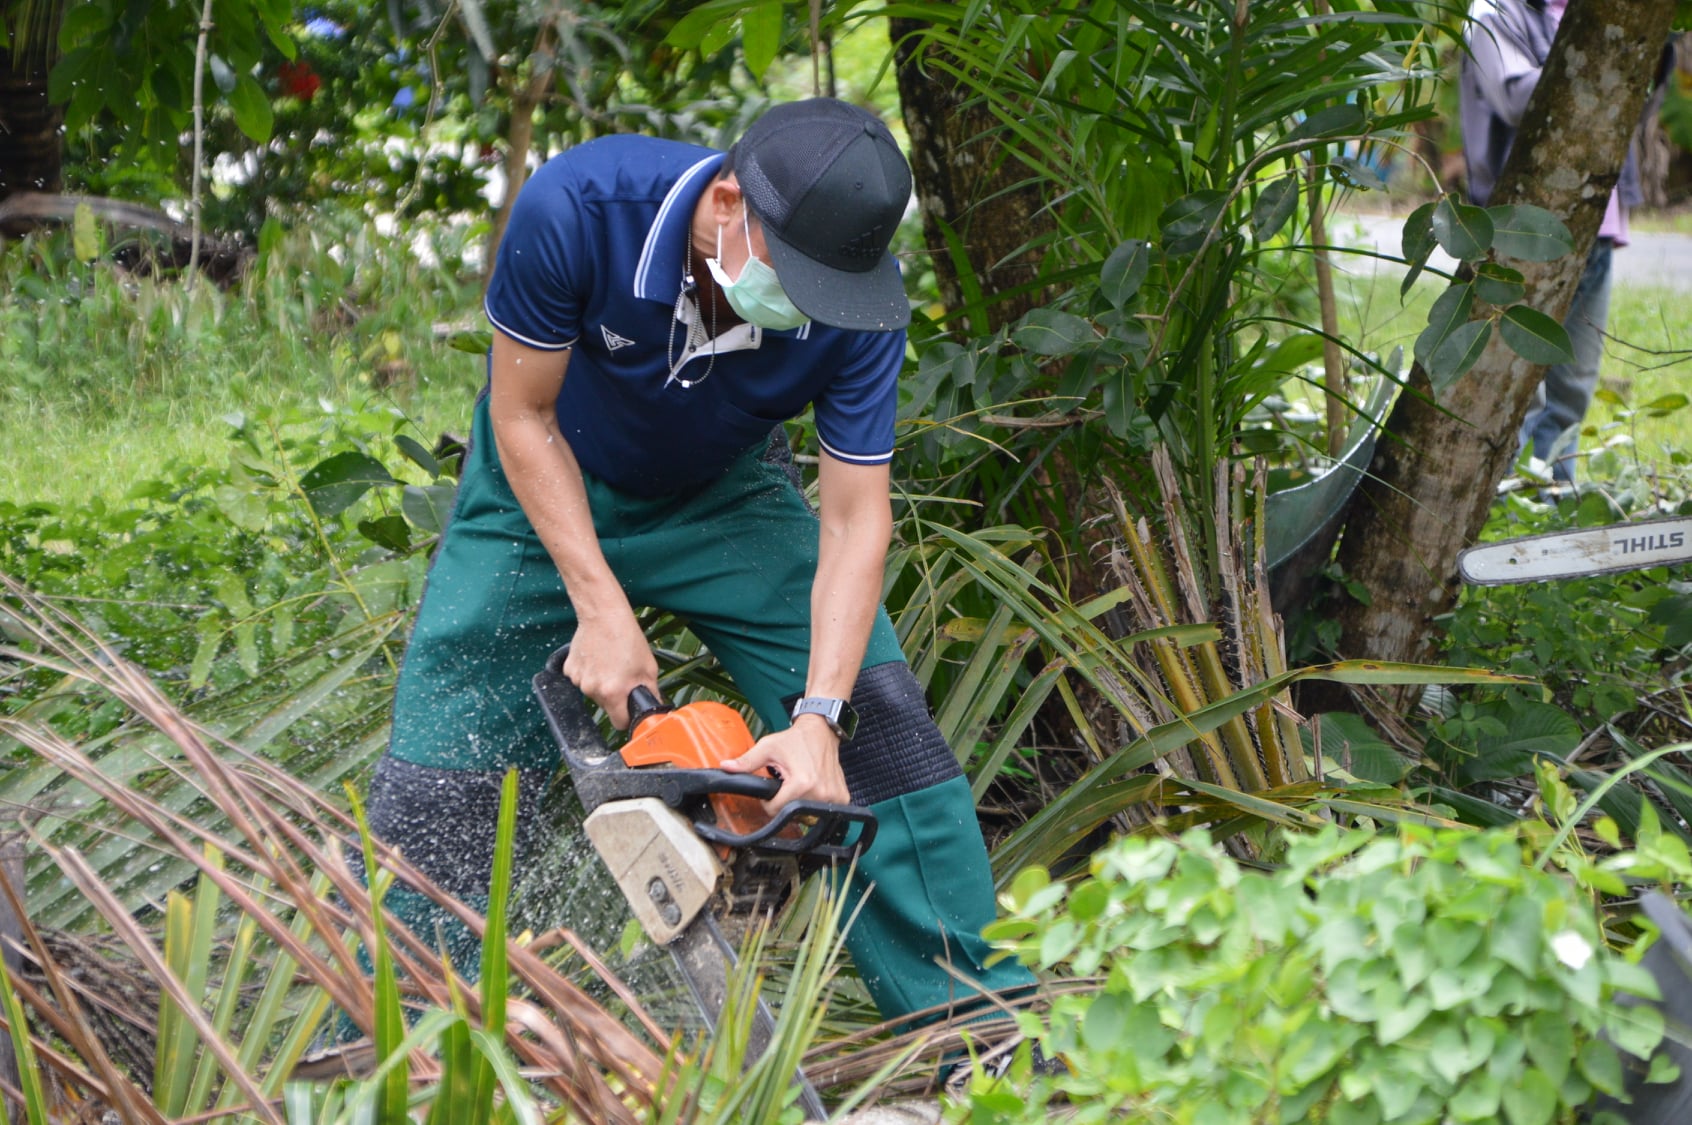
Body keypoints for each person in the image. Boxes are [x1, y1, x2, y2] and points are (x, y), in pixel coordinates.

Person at [363, 97, 1037, 1030]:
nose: (808, 309)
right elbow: (521, 416)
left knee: (878, 724)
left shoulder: (856, 304)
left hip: (724, 495)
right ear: (726, 202)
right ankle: (393, 1044)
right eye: (793, 276)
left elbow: (853, 519)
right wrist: (598, 606)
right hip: (544, 483)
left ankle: (978, 1025)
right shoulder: (580, 208)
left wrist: (820, 717)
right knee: (447, 764)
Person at [1459, 0, 1637, 486]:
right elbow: (1514, 100)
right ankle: (1505, 510)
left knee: (1574, 385)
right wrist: (1597, 51)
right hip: (1525, 230)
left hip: (1597, 226)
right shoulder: (1494, 10)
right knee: (1518, 388)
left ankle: (1556, 506)